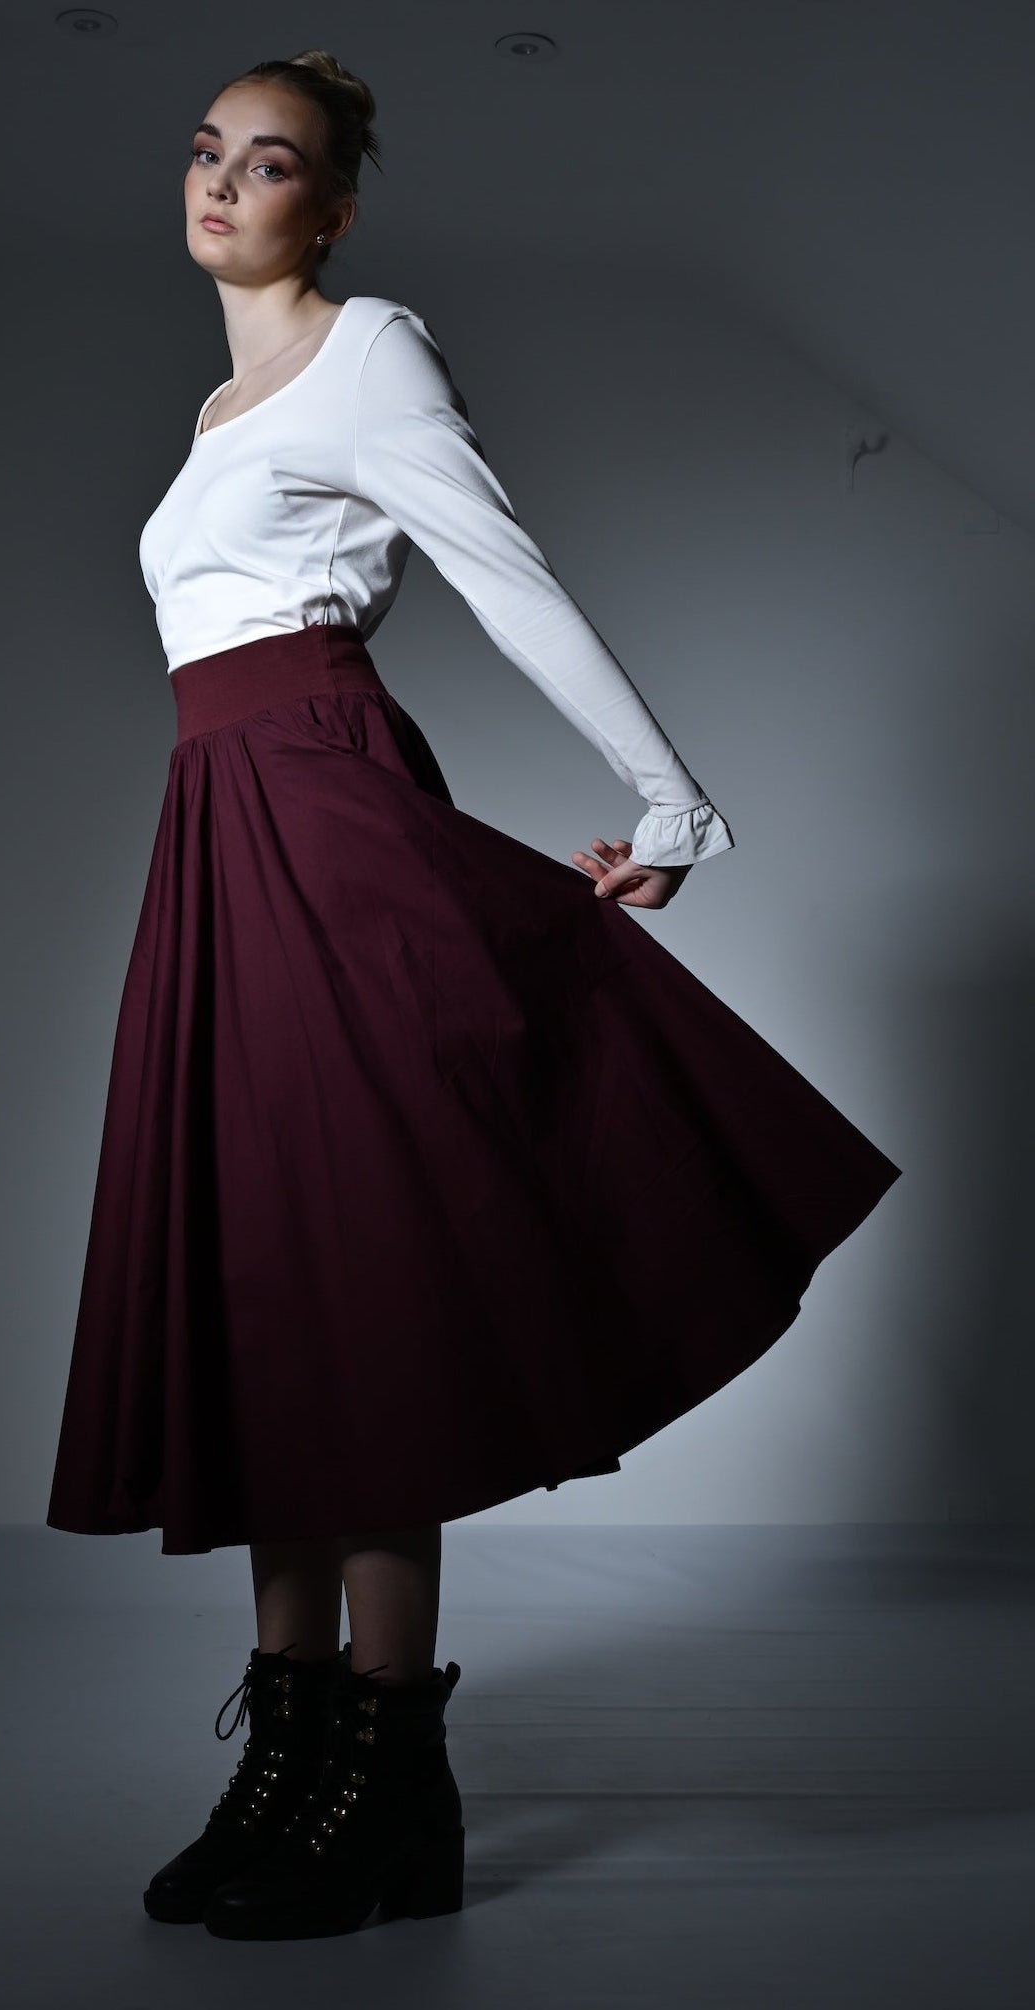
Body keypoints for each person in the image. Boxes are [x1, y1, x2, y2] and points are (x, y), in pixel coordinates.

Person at [44, 51, 902, 1940]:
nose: (220, 184)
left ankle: (387, 1783)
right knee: (267, 1286)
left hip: (324, 826)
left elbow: (503, 575)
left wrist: (668, 799)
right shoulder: (220, 406)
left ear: (329, 207)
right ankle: (286, 1762)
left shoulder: (371, 355)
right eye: (206, 150)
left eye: (267, 164)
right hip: (221, 843)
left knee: (359, 1292)